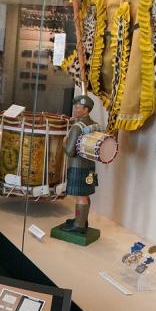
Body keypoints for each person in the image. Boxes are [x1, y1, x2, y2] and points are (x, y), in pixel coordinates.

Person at [60, 95, 98, 233]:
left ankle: (79, 225)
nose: (75, 110)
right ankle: (82, 220)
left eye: (78, 107)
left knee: (80, 196)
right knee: (85, 194)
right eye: (75, 107)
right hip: (89, 166)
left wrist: (64, 142)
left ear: (86, 110)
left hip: (77, 166)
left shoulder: (77, 127)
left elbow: (70, 152)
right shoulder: (93, 124)